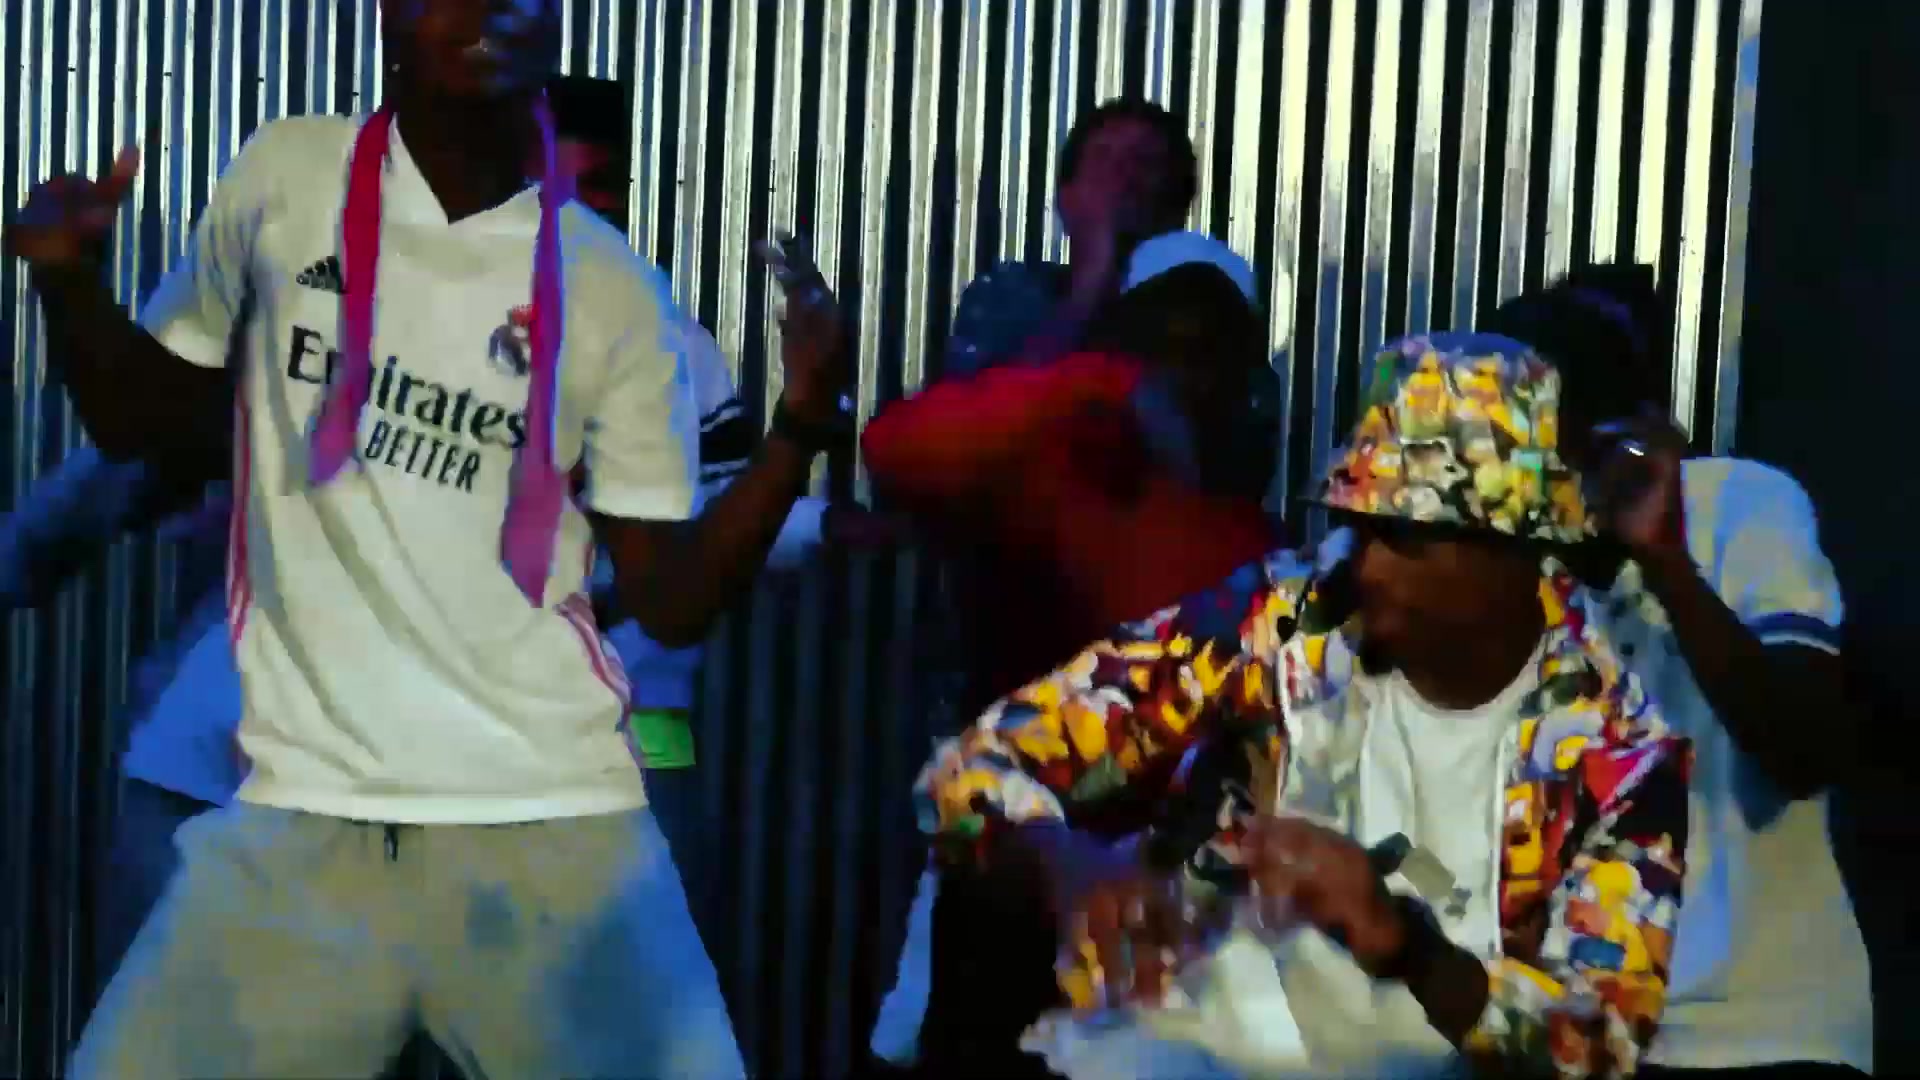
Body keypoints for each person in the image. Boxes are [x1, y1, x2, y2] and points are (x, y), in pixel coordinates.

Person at [4, 1, 848, 1075]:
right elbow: (148, 426)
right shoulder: (288, 179)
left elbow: (672, 600)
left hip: (553, 829)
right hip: (301, 822)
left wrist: (798, 429)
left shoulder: (615, 293)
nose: (486, 9)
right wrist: (65, 281)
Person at [914, 332, 1695, 1079]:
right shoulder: (1282, 620)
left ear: (1512, 552)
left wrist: (1408, 947)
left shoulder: (1618, 743)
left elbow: (1599, 1043)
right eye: (1356, 526)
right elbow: (967, 770)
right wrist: (1064, 863)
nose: (1364, 565)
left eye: (1401, 535)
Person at [865, 233, 1286, 1077]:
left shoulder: (1268, 561)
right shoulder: (1048, 489)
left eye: (1209, 354)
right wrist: (1093, 383)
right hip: (1016, 903)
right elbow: (898, 448)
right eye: (1161, 350)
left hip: (1171, 938)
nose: (1186, 378)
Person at [1483, 265, 1871, 1078]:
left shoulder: (1738, 505)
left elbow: (1804, 746)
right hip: (1582, 1035)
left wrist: (1664, 560)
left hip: (1761, 1034)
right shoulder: (1508, 568)